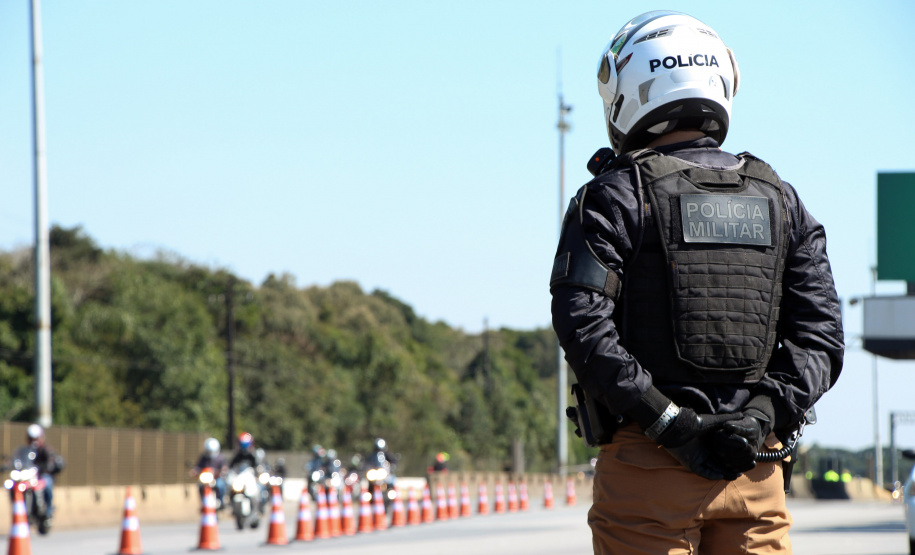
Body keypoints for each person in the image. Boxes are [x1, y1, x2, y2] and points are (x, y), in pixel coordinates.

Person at [550, 11, 844, 554]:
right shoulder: (783, 200)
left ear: (629, 90)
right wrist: (758, 419)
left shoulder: (614, 195)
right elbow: (820, 338)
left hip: (647, 469)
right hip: (756, 470)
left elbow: (582, 324)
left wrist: (668, 423)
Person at [20, 424, 63, 520]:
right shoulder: (25, 451)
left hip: (42, 476)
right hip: (29, 477)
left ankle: (48, 510)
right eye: (31, 438)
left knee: (47, 485)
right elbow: (18, 461)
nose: (33, 441)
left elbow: (50, 462)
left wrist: (45, 467)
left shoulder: (46, 450)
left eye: (35, 438)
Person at [190, 437, 227, 509]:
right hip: (206, 479)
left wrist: (223, 470)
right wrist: (195, 471)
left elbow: (224, 466)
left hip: (216, 478)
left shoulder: (220, 457)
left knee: (220, 485)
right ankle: (203, 503)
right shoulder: (203, 458)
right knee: (200, 486)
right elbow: (198, 467)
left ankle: (221, 502)